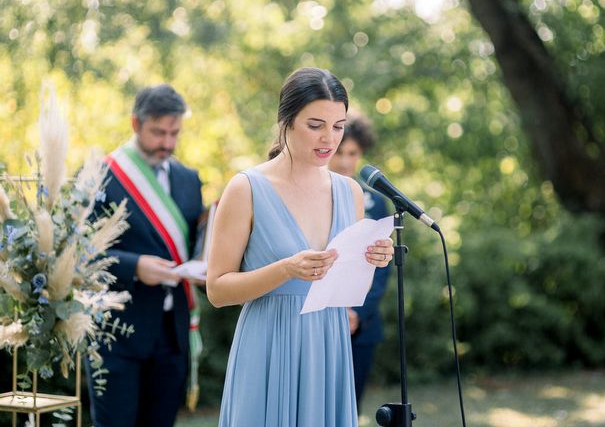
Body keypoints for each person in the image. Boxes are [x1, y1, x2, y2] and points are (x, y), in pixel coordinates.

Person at [206, 67, 394, 426]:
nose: (329, 138)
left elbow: (351, 289)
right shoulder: (245, 188)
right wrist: (286, 269)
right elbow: (216, 290)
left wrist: (372, 260)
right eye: (315, 125)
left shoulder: (350, 192)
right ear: (286, 121)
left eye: (337, 126)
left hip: (329, 343)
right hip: (267, 344)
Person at [87, 84, 204, 427]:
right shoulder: (100, 176)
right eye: (158, 132)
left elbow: (195, 245)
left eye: (174, 133)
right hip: (116, 335)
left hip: (173, 332)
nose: (167, 143)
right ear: (135, 123)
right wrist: (135, 266)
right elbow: (80, 254)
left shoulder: (189, 179)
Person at [329, 114, 390, 408]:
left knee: (351, 407)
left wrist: (357, 312)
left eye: (352, 154)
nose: (344, 161)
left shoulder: (376, 202)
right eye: (339, 152)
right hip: (322, 315)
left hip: (362, 324)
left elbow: (381, 270)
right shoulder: (315, 195)